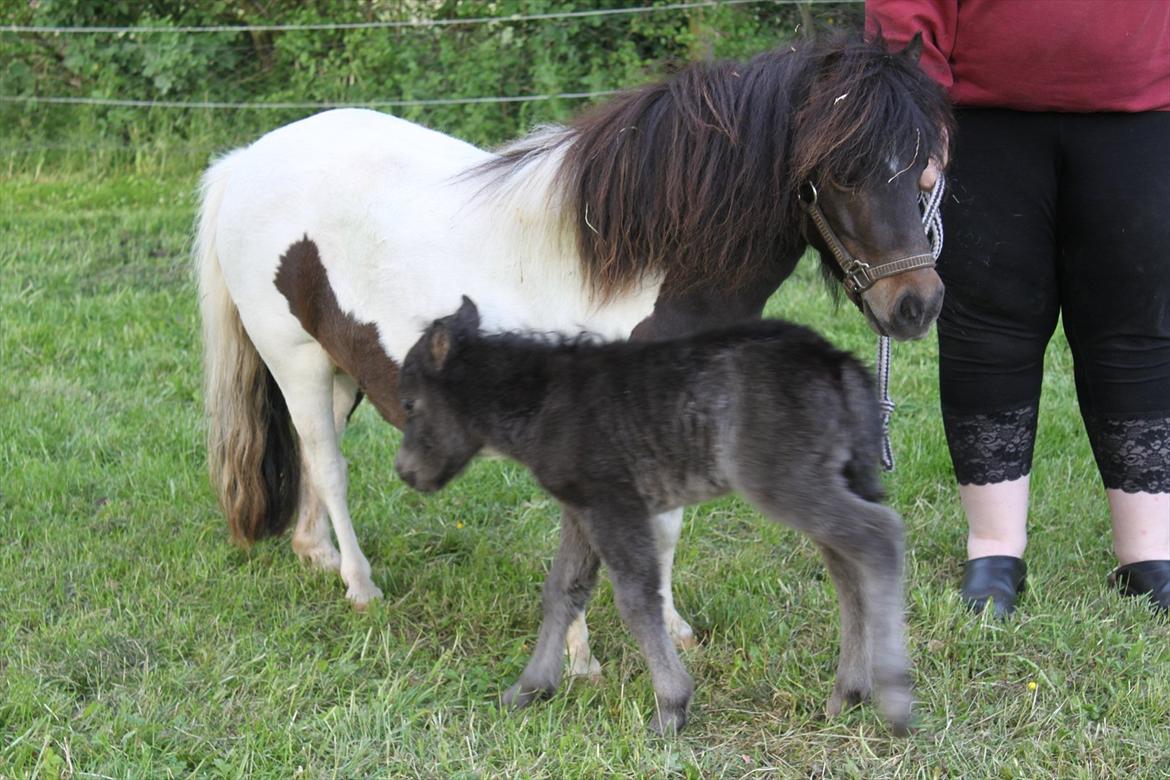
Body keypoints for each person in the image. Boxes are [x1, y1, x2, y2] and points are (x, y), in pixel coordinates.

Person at [866, 0, 1170, 615]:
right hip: (979, 118)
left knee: (1136, 328)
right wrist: (915, 102)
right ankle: (994, 551)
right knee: (987, 330)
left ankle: (1150, 554)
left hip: (1147, 114)